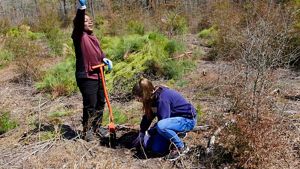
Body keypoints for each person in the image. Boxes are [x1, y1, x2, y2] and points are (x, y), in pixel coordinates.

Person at [71, 0, 113, 141]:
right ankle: (87, 130)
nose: (90, 22)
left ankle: (97, 127)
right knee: (91, 104)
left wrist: (105, 59)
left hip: (98, 74)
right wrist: (82, 8)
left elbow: (98, 53)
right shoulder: (79, 36)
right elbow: (78, 23)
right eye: (86, 21)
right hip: (87, 75)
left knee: (101, 102)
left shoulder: (92, 37)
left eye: (90, 20)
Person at [132, 78, 197, 161]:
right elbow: (148, 117)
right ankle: (176, 134)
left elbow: (163, 121)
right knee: (156, 148)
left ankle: (181, 147)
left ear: (145, 93)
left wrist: (149, 132)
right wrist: (141, 132)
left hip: (187, 120)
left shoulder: (162, 99)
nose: (137, 100)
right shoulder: (151, 98)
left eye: (138, 97)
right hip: (172, 121)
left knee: (161, 127)